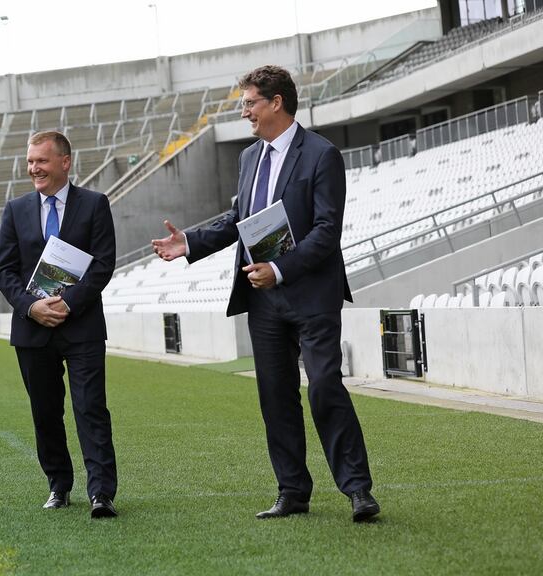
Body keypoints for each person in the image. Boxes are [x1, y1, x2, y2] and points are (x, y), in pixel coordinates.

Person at [151, 65, 380, 523]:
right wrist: (190, 243)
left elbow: (326, 231)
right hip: (263, 299)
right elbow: (239, 219)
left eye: (250, 103)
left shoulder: (322, 155)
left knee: (324, 387)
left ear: (276, 102)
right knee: (275, 396)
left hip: (311, 295)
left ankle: (357, 489)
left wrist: (279, 268)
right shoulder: (248, 159)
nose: (244, 112)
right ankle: (292, 491)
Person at [0, 131, 119, 519]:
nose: (34, 168)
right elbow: (4, 270)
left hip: (81, 326)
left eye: (41, 161)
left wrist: (68, 304)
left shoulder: (95, 204)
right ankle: (59, 485)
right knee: (45, 413)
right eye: (30, 162)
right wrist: (32, 307)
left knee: (90, 408)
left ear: (65, 162)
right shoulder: (15, 209)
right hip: (32, 330)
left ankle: (101, 493)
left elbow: (103, 264)